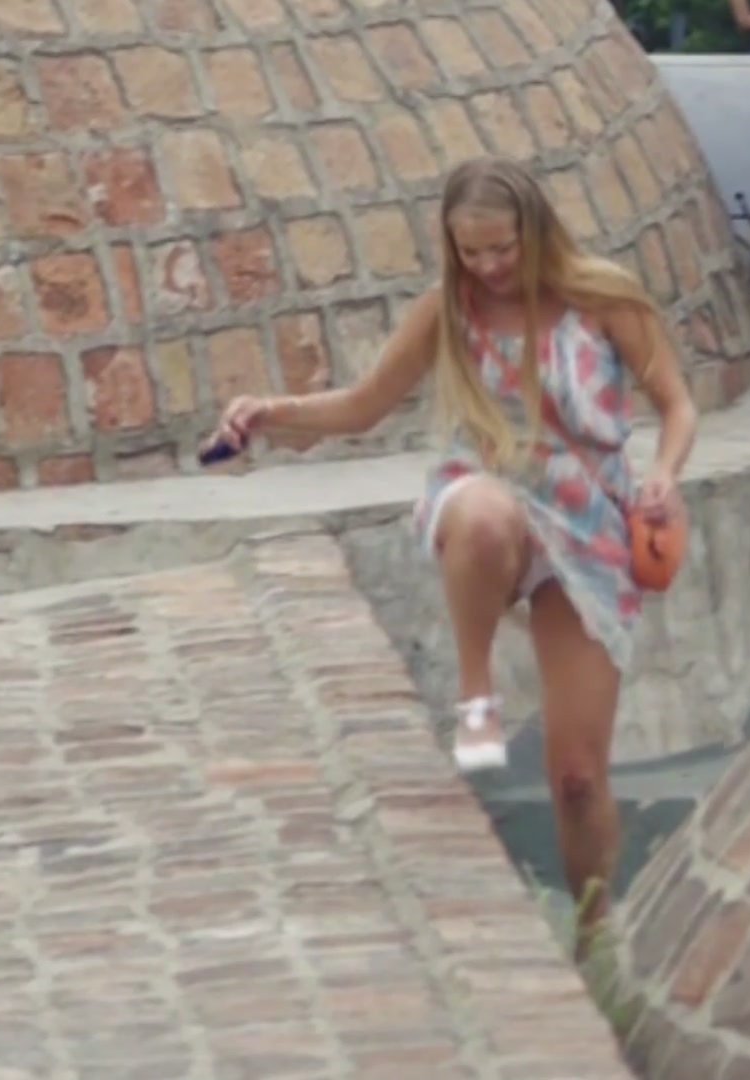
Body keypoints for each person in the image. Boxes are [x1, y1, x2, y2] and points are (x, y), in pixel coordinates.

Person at [202, 157, 699, 946]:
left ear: (535, 232)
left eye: (503, 248)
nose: (489, 266)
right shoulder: (448, 309)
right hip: (485, 488)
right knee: (487, 516)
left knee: (577, 776)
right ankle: (476, 696)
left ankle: (594, 930)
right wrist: (271, 411)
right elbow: (363, 405)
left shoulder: (604, 299)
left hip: (587, 517)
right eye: (471, 251)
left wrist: (665, 474)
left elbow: (677, 404)